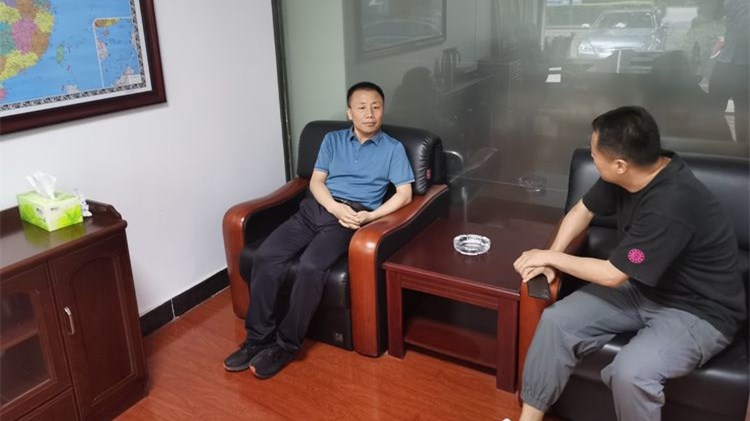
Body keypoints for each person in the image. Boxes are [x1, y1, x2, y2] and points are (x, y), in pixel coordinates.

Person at [512, 106, 744, 421]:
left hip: (700, 311)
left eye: (595, 154)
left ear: (620, 164)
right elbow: (583, 210)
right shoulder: (631, 174)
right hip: (645, 287)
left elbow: (612, 274)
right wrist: (551, 257)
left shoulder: (671, 203)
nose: (592, 157)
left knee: (631, 372)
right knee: (558, 321)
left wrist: (551, 257)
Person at [223, 81, 415, 379]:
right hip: (316, 209)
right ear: (349, 112)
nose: (370, 114)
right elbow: (315, 182)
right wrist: (333, 207)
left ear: (383, 110)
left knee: (311, 267)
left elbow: (405, 194)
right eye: (362, 107)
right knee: (267, 256)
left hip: (350, 218)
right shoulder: (332, 140)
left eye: (376, 107)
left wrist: (369, 216)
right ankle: (257, 339)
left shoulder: (393, 149)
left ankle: (286, 345)